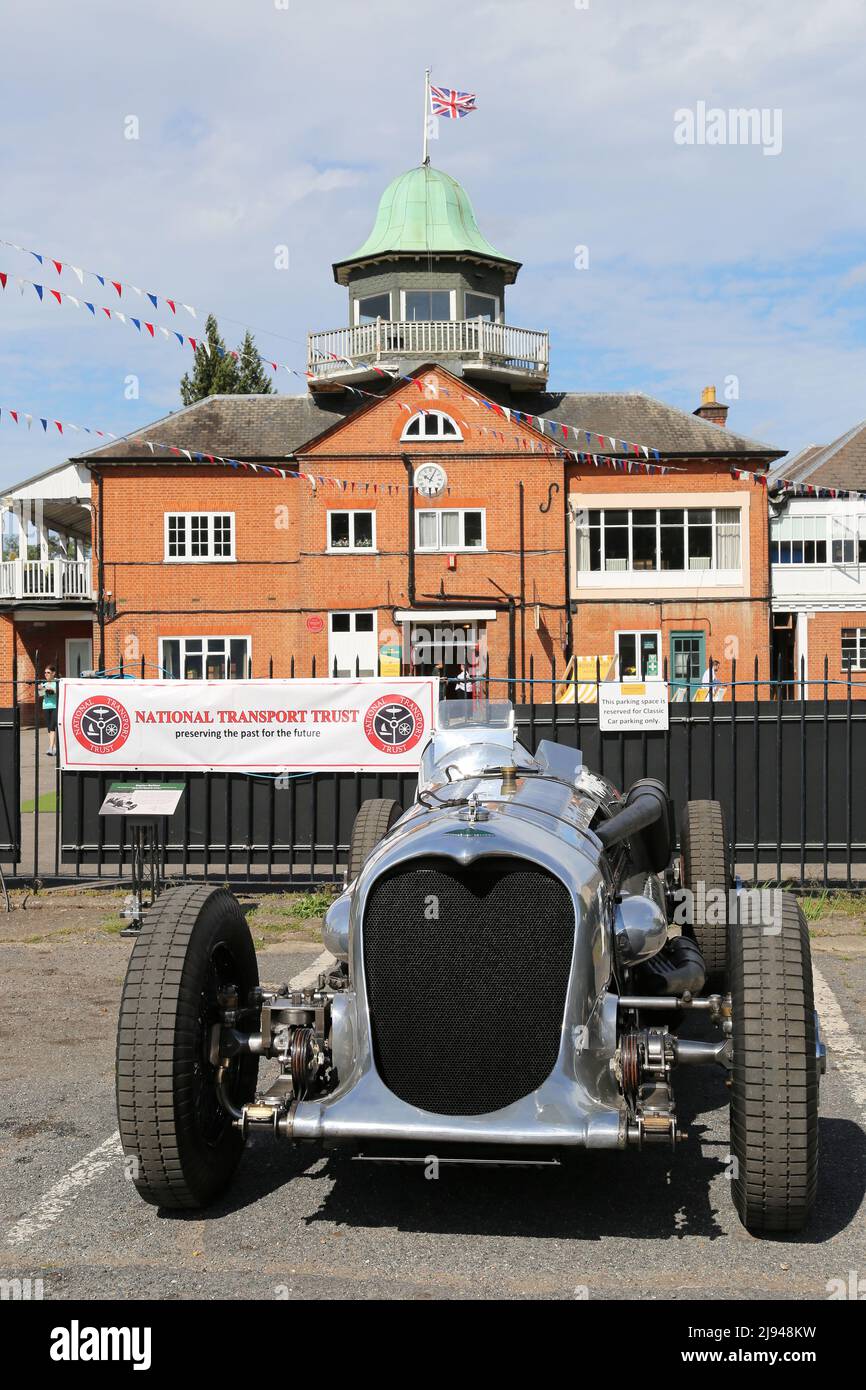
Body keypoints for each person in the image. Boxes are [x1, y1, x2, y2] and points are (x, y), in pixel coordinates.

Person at [38, 664, 58, 756]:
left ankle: (50, 747)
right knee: (49, 728)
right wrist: (39, 689)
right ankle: (54, 747)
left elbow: (53, 692)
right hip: (46, 706)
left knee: (53, 726)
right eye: (45, 673)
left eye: (48, 672)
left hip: (54, 707)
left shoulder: (56, 683)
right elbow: (41, 694)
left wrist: (45, 688)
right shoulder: (44, 684)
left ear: (53, 673)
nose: (46, 674)